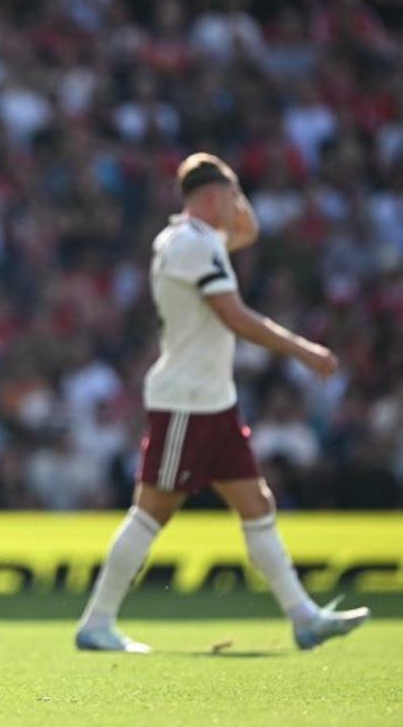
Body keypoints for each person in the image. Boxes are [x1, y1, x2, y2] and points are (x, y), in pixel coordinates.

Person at [75, 153, 370, 653]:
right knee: (151, 512)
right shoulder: (193, 246)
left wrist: (234, 201)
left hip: (213, 400)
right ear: (213, 198)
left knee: (257, 505)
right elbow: (234, 316)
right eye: (232, 196)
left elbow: (245, 233)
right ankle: (97, 622)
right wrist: (302, 349)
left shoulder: (188, 240)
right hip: (186, 401)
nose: (239, 206)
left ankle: (304, 617)